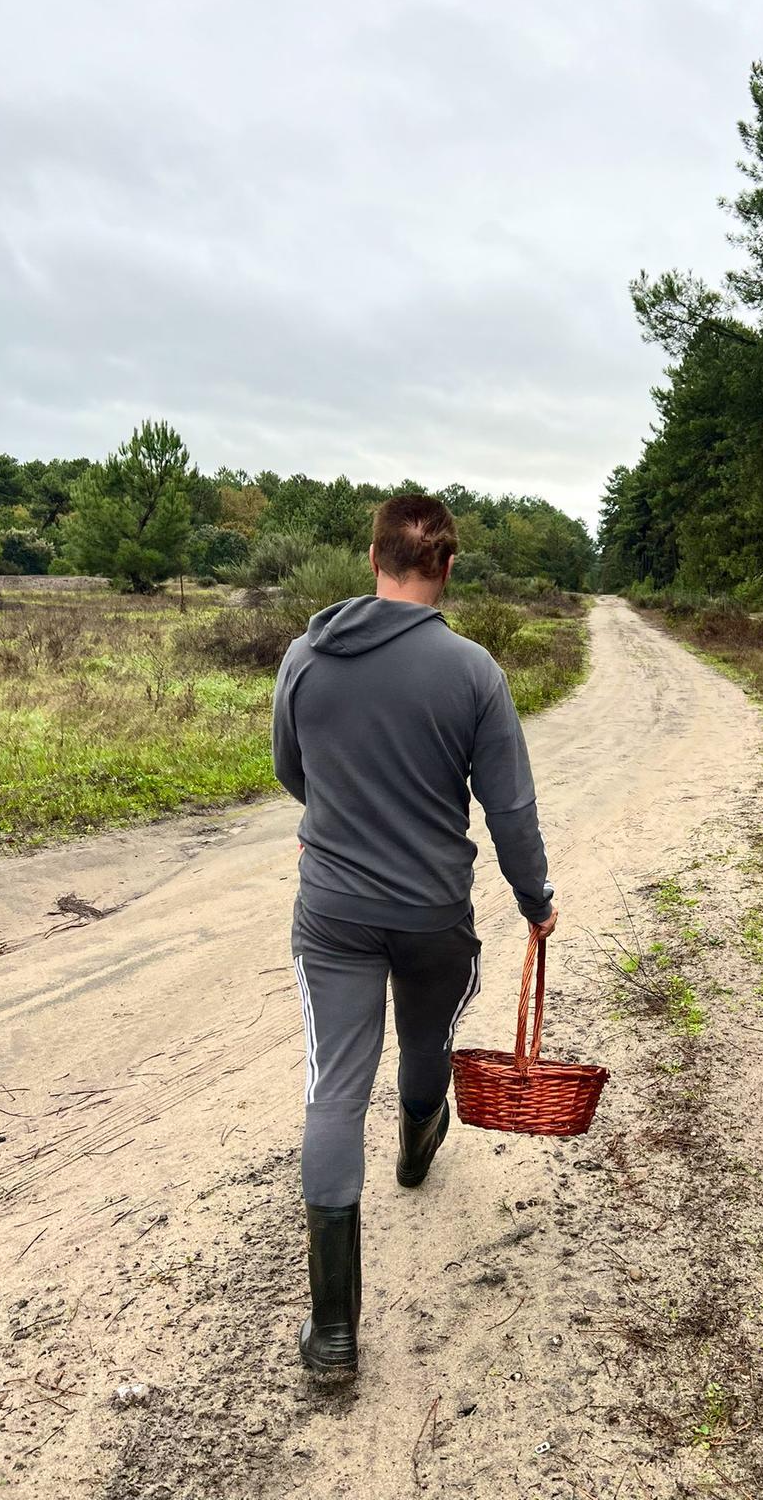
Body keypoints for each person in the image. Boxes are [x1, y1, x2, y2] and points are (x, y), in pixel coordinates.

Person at [271, 494, 558, 1373]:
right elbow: (509, 808)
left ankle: (332, 1332)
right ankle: (417, 1140)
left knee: (332, 1087)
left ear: (373, 558)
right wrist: (534, 896)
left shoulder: (305, 656)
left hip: (335, 915)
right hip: (433, 915)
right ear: (450, 567)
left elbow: (293, 773)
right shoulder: (474, 672)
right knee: (427, 1039)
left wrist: (339, 817)